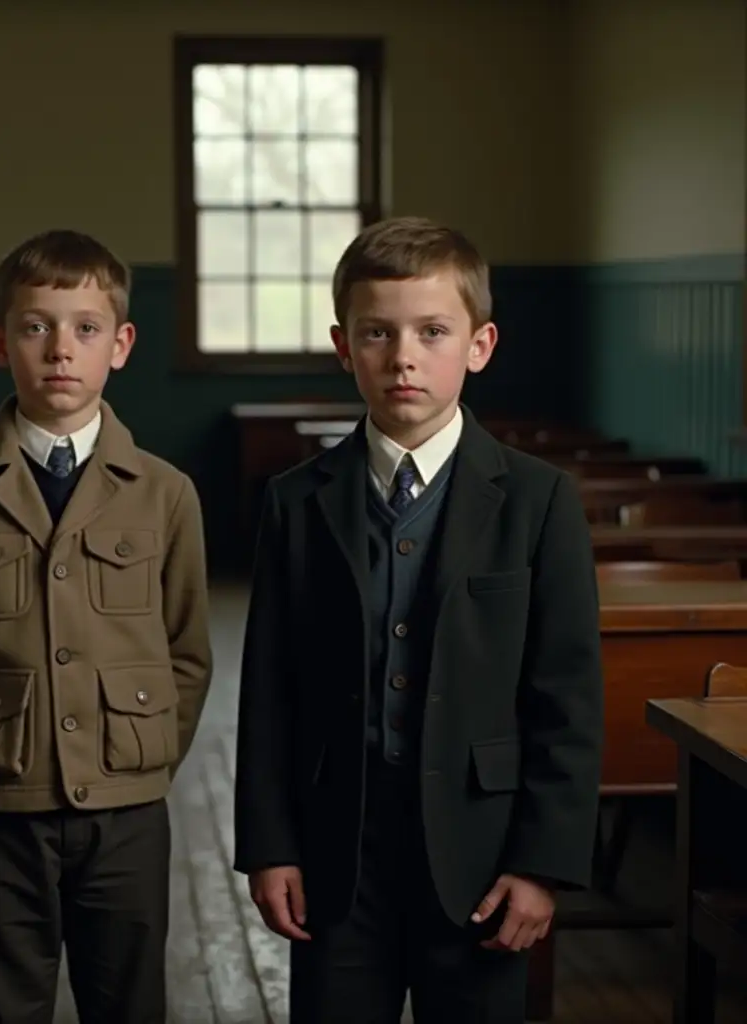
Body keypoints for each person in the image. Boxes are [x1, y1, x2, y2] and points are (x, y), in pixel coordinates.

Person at [233, 215, 603, 1023]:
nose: (403, 356)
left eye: (432, 331)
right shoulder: (297, 502)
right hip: (337, 857)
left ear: (479, 344)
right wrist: (270, 845)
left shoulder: (540, 502)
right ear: (343, 346)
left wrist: (541, 864)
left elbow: (566, 697)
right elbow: (268, 690)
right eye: (377, 333)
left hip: (482, 857)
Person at [0, 228, 213, 1024]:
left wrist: (141, 760)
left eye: (86, 328)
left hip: (128, 812)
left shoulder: (167, 494)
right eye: (35, 327)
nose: (60, 349)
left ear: (122, 344)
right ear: (1, 342)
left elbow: (188, 656)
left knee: (128, 1003)